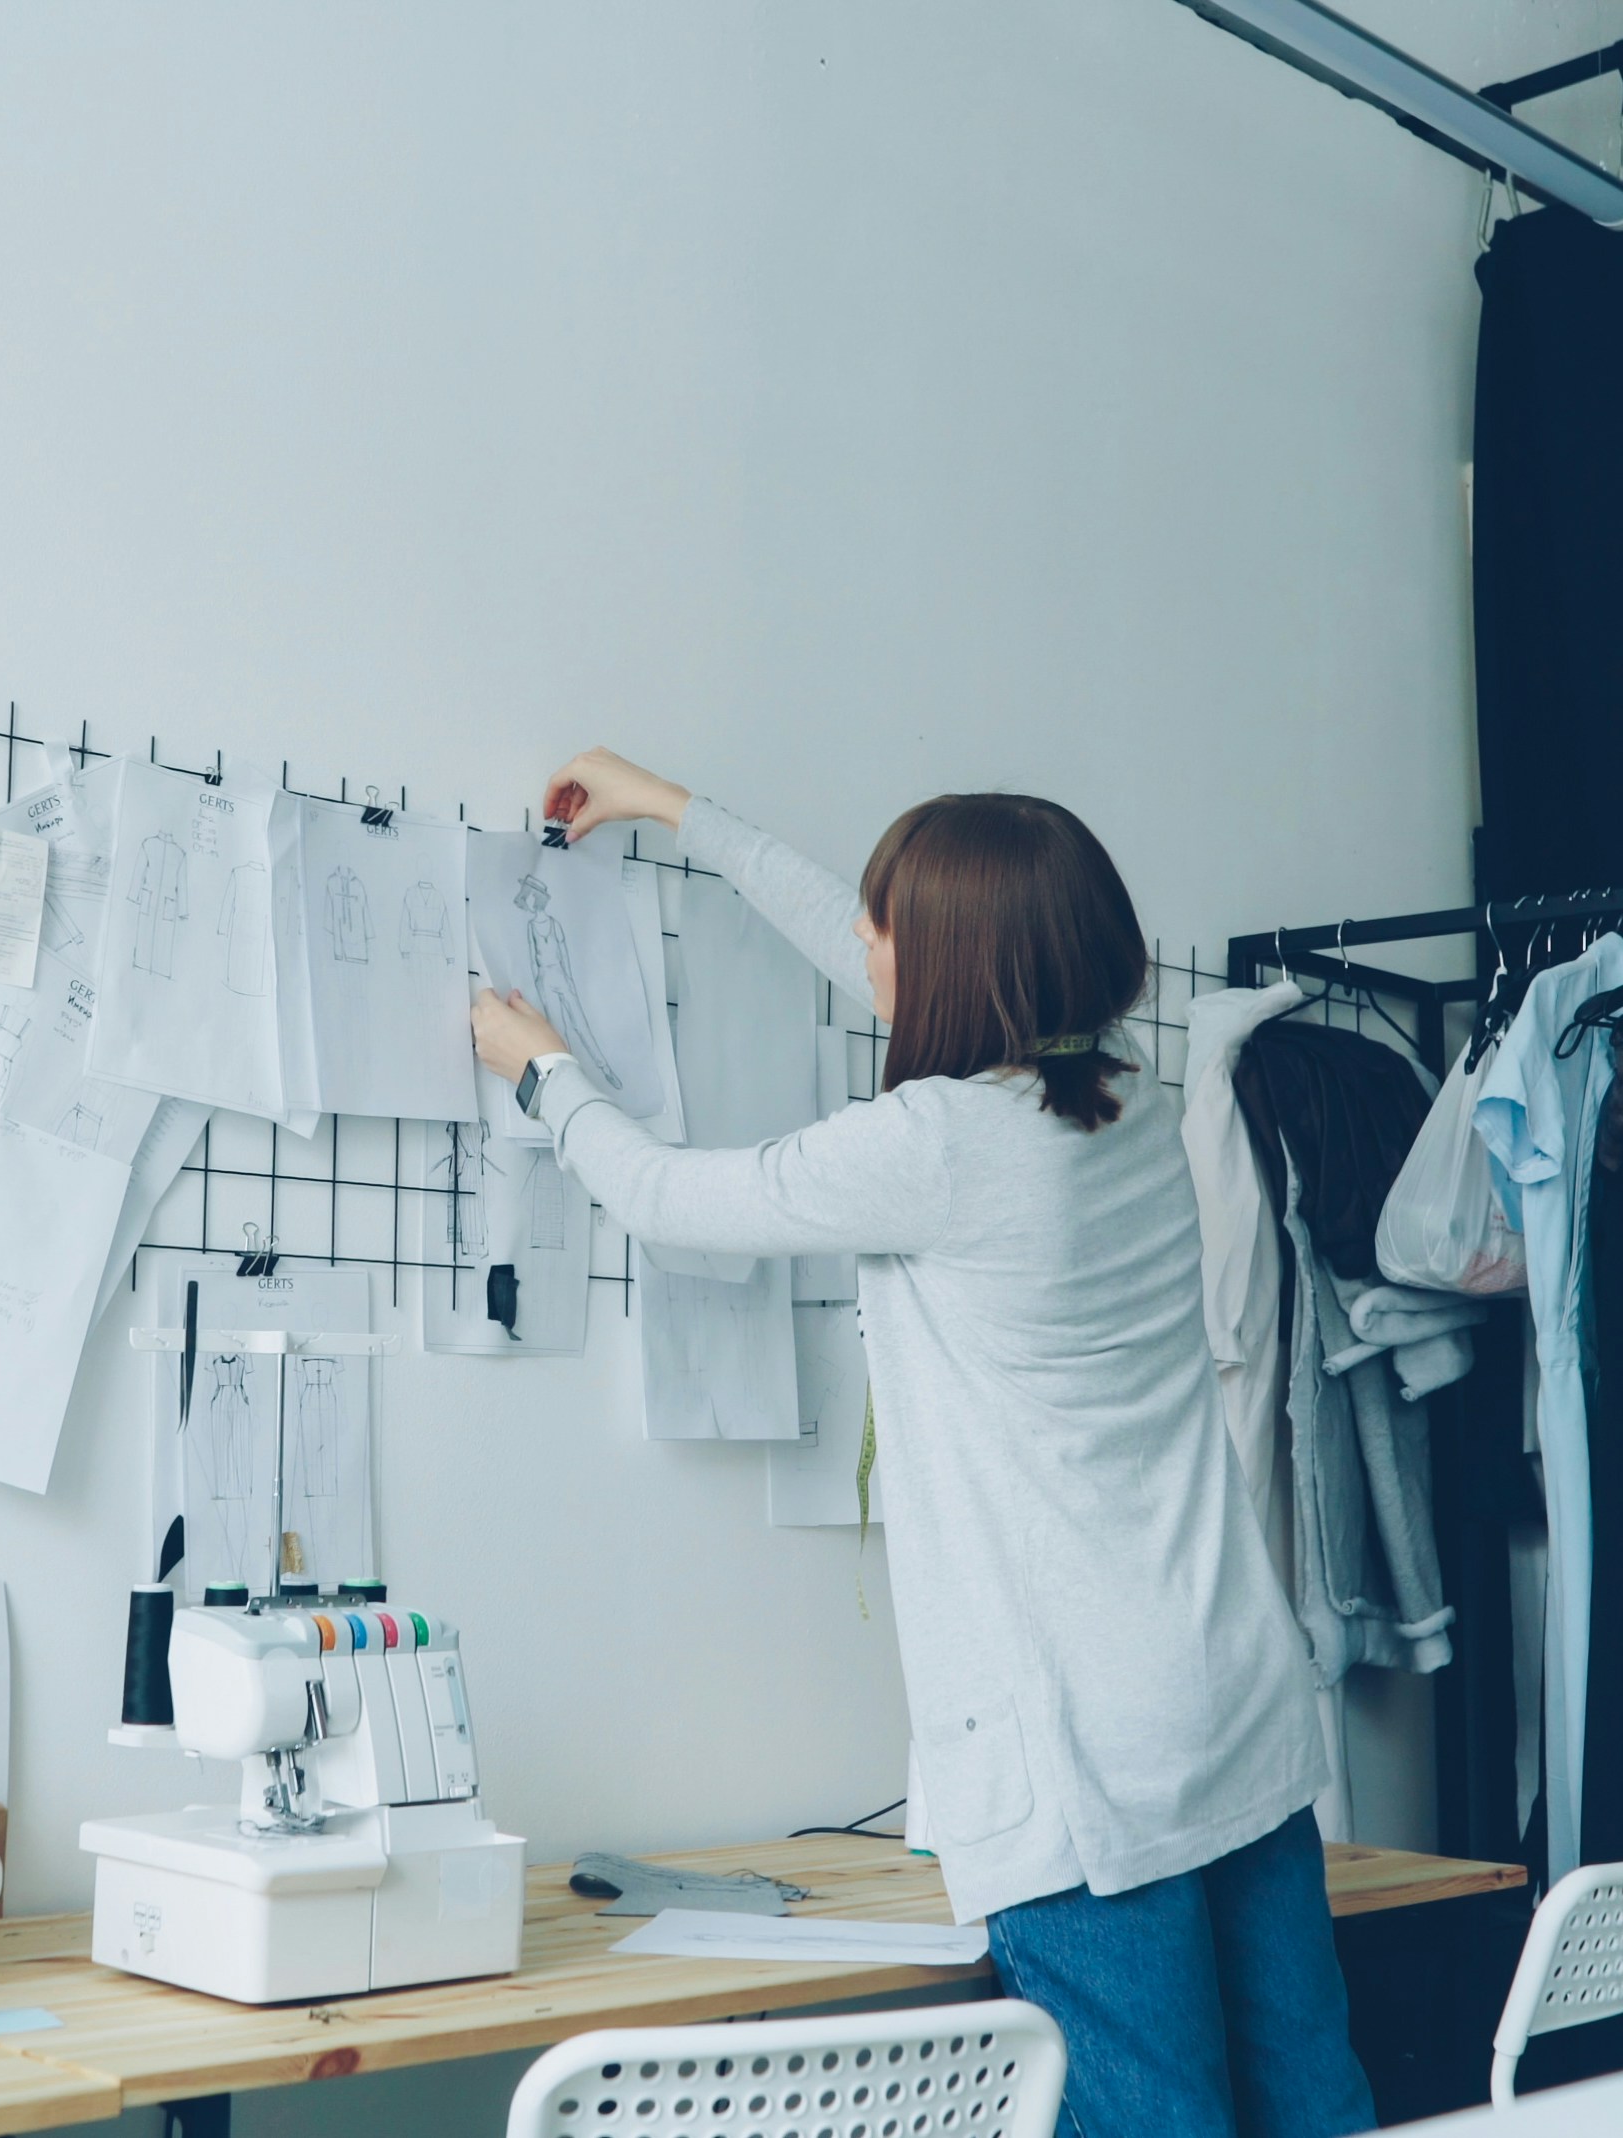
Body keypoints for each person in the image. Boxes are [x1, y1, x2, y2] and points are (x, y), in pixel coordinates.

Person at [472, 749, 1374, 2138]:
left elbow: (663, 1194)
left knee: (1153, 2119)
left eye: (894, 927)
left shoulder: (941, 1145)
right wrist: (675, 810)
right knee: (1315, 2104)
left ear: (960, 966)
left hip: (1092, 1755)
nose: (869, 943)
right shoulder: (1127, 1097)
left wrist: (543, 1076)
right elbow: (871, 942)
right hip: (1237, 1700)